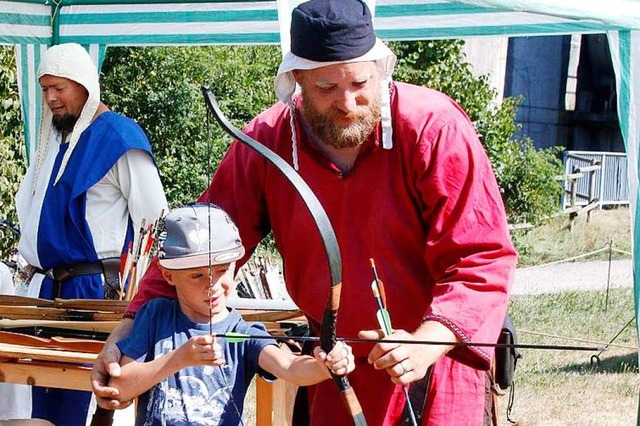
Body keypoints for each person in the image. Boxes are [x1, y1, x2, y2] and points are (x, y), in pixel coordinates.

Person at [92, 0, 517, 424]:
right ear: (297, 79)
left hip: (435, 359)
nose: (347, 103)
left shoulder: (432, 127)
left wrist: (427, 341)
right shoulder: (266, 141)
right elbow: (199, 245)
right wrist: (125, 333)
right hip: (333, 362)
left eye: (359, 83)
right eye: (326, 88)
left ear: (379, 68)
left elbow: (482, 258)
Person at [13, 43, 167, 425]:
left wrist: (143, 299)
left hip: (95, 293)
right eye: (45, 89)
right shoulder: (57, 140)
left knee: (84, 399)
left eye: (59, 88)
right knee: (44, 399)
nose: (50, 98)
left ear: (84, 84)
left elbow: (156, 224)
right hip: (51, 293)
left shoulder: (117, 136)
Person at [109, 203, 354, 425]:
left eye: (222, 270)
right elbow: (120, 386)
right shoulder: (154, 316)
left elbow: (289, 367)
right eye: (197, 275)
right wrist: (179, 359)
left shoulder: (243, 333)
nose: (212, 284)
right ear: (169, 275)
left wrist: (325, 366)